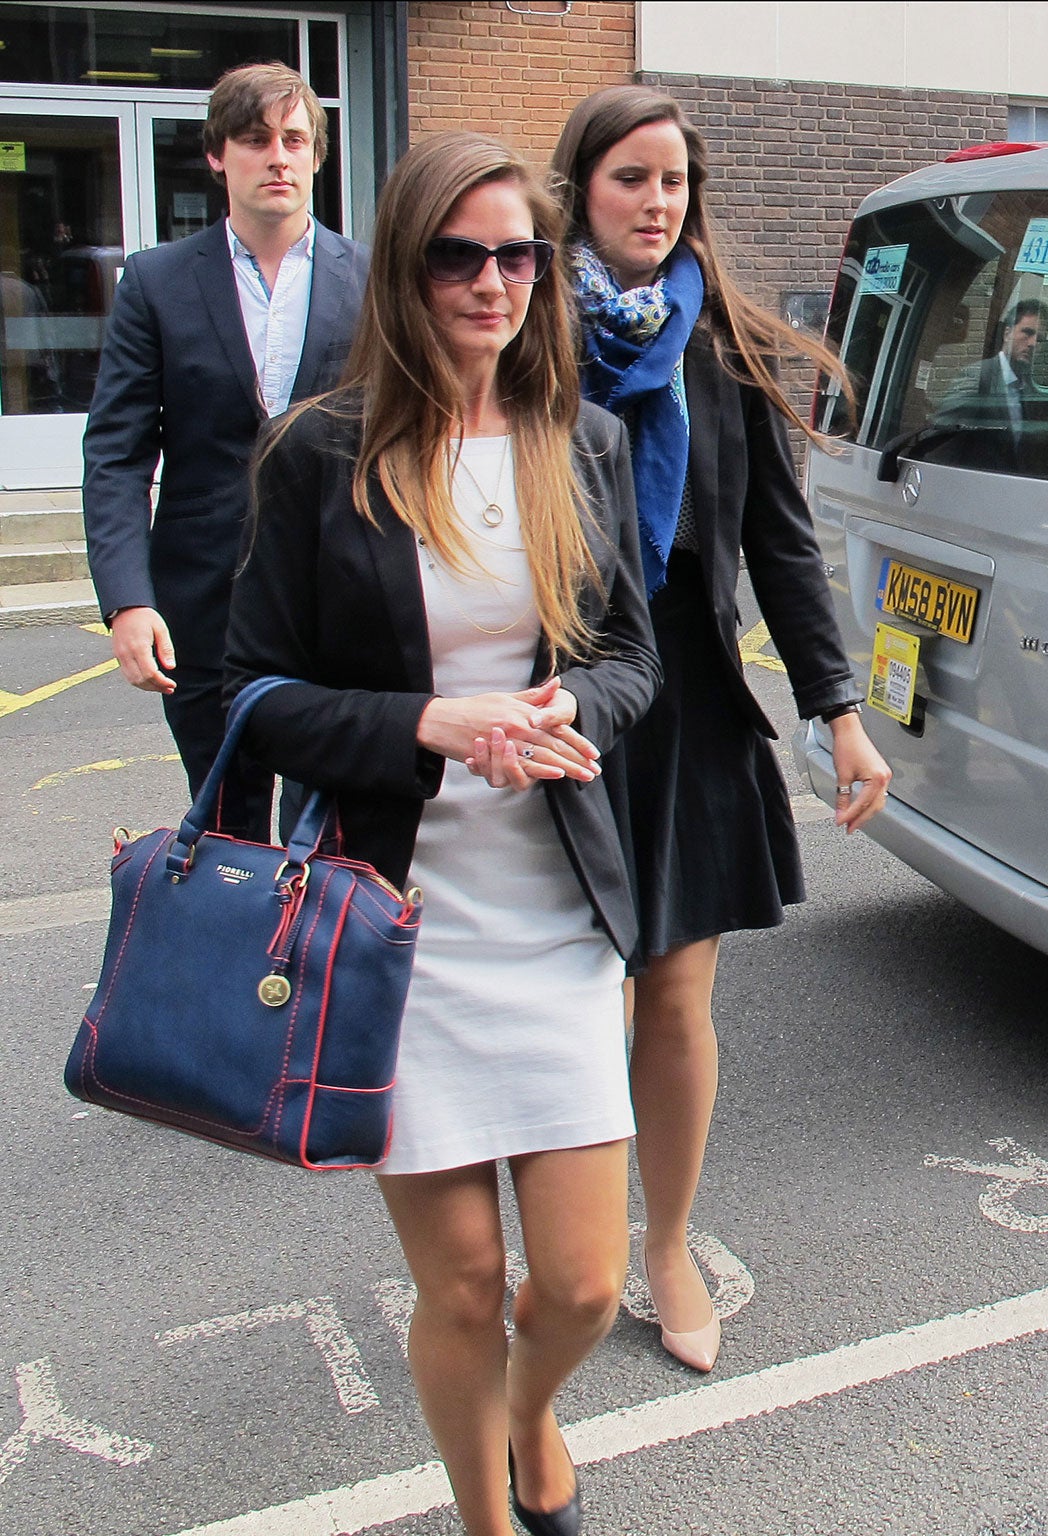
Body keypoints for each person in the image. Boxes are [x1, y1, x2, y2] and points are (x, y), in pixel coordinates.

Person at [226, 132, 661, 1536]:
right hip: (395, 925)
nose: (492, 283)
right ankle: (487, 1514)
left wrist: (564, 702)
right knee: (465, 1281)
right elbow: (255, 693)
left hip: (551, 908)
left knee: (586, 1283)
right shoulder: (320, 454)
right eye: (458, 256)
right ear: (406, 268)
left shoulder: (580, 442)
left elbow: (633, 659)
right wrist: (424, 726)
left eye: (518, 256)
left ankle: (533, 1409)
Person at [549, 85, 892, 1375]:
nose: (655, 203)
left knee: (675, 995)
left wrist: (838, 711)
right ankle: (568, 1224)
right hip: (559, 697)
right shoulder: (526, 329)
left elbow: (779, 543)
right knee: (564, 991)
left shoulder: (720, 342)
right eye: (630, 178)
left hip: (686, 700)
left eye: (674, 182)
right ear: (580, 185)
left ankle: (667, 1236)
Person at [84, 62, 367, 838]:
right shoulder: (157, 282)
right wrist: (128, 600)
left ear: (316, 156)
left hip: (338, 602)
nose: (277, 156)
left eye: (294, 139)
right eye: (254, 140)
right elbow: (115, 453)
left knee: (331, 827)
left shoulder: (372, 280)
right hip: (201, 605)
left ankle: (311, 964)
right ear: (218, 156)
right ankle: (231, 961)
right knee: (225, 828)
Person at [937, 297, 1048, 439]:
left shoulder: (1029, 388)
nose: (1033, 343)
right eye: (1027, 333)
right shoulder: (978, 376)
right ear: (1007, 333)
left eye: (1040, 339)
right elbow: (943, 436)